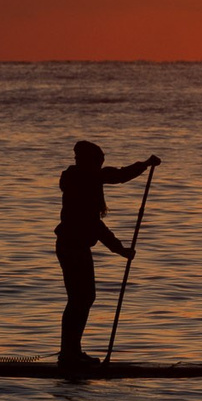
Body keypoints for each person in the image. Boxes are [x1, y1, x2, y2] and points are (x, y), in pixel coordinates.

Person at [57, 141, 160, 368]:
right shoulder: (82, 182)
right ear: (88, 162)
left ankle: (72, 351)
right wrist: (120, 249)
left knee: (83, 298)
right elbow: (95, 225)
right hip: (72, 247)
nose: (100, 166)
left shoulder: (87, 178)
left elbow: (118, 175)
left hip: (76, 247)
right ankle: (68, 354)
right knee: (80, 299)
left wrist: (144, 165)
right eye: (98, 162)